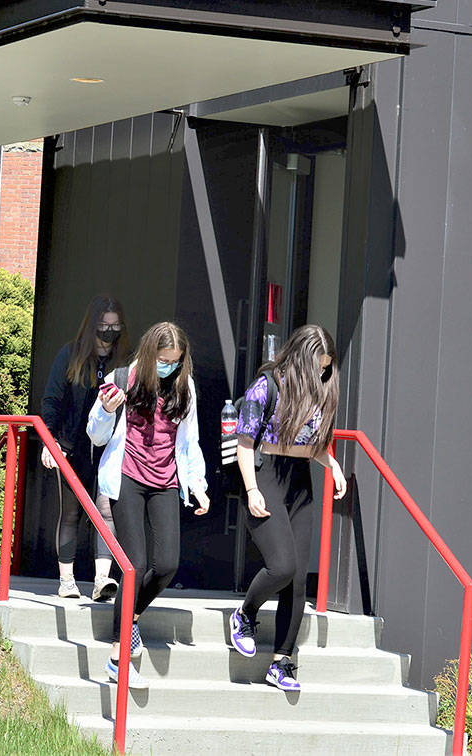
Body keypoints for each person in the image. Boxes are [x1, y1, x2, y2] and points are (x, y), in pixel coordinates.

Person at [88, 321, 210, 691]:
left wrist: (199, 487)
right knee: (134, 565)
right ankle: (117, 657)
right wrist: (107, 411)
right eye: (163, 360)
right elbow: (94, 434)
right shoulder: (122, 378)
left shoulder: (183, 387)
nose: (169, 367)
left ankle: (132, 616)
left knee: (167, 563)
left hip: (166, 481)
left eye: (175, 361)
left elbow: (190, 443)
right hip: (127, 477)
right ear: (149, 354)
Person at [227, 324, 347, 692]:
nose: (322, 374)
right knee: (281, 565)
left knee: (297, 581)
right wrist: (251, 489)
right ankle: (245, 614)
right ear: (300, 357)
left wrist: (334, 466)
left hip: (299, 482)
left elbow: (313, 444)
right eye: (318, 366)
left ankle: (282, 662)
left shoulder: (320, 392)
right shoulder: (268, 386)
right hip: (265, 477)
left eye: (327, 368)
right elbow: (245, 443)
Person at [39, 294, 129, 601]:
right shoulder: (71, 355)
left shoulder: (125, 362)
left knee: (106, 511)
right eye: (104, 325)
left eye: (115, 325)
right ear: (92, 326)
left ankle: (102, 579)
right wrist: (50, 442)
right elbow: (51, 401)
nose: (109, 331)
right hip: (71, 446)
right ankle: (67, 580)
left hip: (110, 451)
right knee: (72, 513)